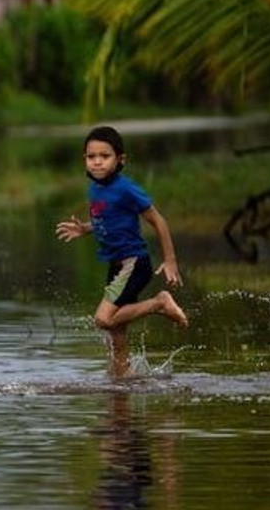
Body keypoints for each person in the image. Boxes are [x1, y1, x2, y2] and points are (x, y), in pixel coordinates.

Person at [55, 125, 188, 378]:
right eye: (91, 157)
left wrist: (170, 259)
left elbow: (158, 220)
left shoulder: (126, 188)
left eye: (104, 156)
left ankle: (159, 303)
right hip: (117, 265)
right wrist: (85, 228)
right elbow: (108, 218)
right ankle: (122, 381)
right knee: (116, 332)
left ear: (120, 159)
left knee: (103, 319)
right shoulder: (95, 188)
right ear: (84, 160)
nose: (97, 162)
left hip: (133, 263)